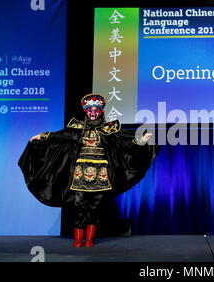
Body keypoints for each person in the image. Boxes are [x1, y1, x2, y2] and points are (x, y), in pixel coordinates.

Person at [18, 93, 159, 247]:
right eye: (90, 110)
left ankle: (89, 239)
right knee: (79, 206)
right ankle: (78, 239)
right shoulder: (77, 128)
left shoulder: (109, 129)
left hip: (101, 175)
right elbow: (61, 135)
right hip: (80, 174)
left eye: (96, 110)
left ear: (101, 111)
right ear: (86, 111)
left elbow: (123, 143)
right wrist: (42, 136)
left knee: (95, 208)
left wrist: (140, 140)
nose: (93, 112)